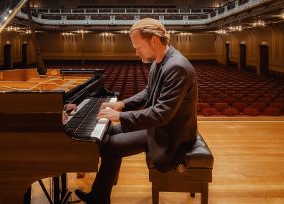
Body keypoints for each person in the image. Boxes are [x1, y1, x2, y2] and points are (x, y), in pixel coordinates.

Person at [74, 18, 198, 204]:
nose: (136, 51)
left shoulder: (176, 67)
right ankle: (100, 193)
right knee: (107, 133)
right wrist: (122, 104)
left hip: (171, 134)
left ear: (154, 40)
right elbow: (148, 92)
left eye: (138, 46)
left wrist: (119, 116)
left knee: (109, 146)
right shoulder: (160, 60)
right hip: (162, 125)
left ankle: (99, 197)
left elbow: (160, 114)